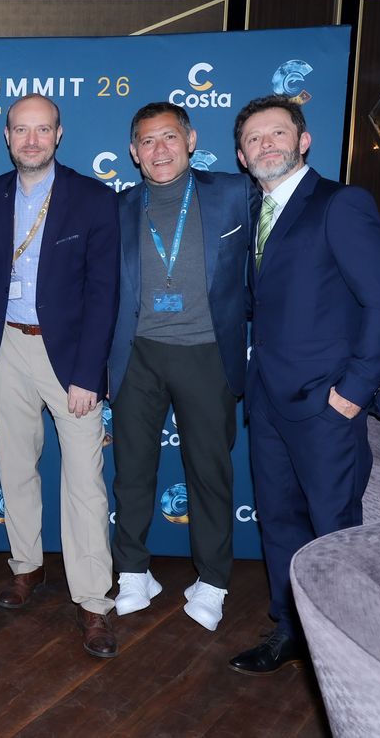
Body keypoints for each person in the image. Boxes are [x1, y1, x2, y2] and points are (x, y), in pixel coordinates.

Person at [229, 95, 380, 675]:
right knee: (279, 521)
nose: (266, 145)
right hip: (268, 400)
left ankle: (347, 653)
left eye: (278, 133)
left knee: (333, 530)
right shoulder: (254, 212)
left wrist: (352, 392)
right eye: (254, 139)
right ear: (241, 155)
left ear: (304, 141)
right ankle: (291, 629)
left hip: (327, 404)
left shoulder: (339, 203)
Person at [0, 94, 121, 658]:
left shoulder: (93, 197)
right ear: (6, 136)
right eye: (21, 130)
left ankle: (93, 600)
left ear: (59, 135)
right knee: (15, 468)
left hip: (71, 357)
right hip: (7, 347)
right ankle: (26, 566)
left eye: (42, 130)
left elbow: (104, 292)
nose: (31, 140)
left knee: (84, 481)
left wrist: (89, 373)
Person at [106, 102, 256, 631]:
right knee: (131, 473)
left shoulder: (235, 194)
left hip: (207, 354)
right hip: (137, 356)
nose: (159, 150)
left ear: (191, 140)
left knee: (210, 474)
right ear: (134, 152)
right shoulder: (118, 207)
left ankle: (213, 581)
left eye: (169, 137)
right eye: (147, 141)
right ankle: (132, 573)